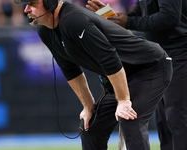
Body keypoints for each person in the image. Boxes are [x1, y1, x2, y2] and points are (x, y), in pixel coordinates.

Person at [14, 0, 173, 150]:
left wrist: (123, 100)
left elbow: (109, 58)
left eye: (32, 4)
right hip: (121, 76)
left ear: (50, 3)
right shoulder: (45, 30)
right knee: (91, 127)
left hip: (150, 67)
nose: (26, 9)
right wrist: (88, 106)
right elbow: (70, 69)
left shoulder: (73, 20)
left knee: (130, 119)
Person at [86, 0, 187, 150]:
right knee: (164, 120)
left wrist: (129, 21)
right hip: (160, 56)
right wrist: (111, 17)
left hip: (178, 52)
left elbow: (170, 17)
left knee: (176, 116)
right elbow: (138, 15)